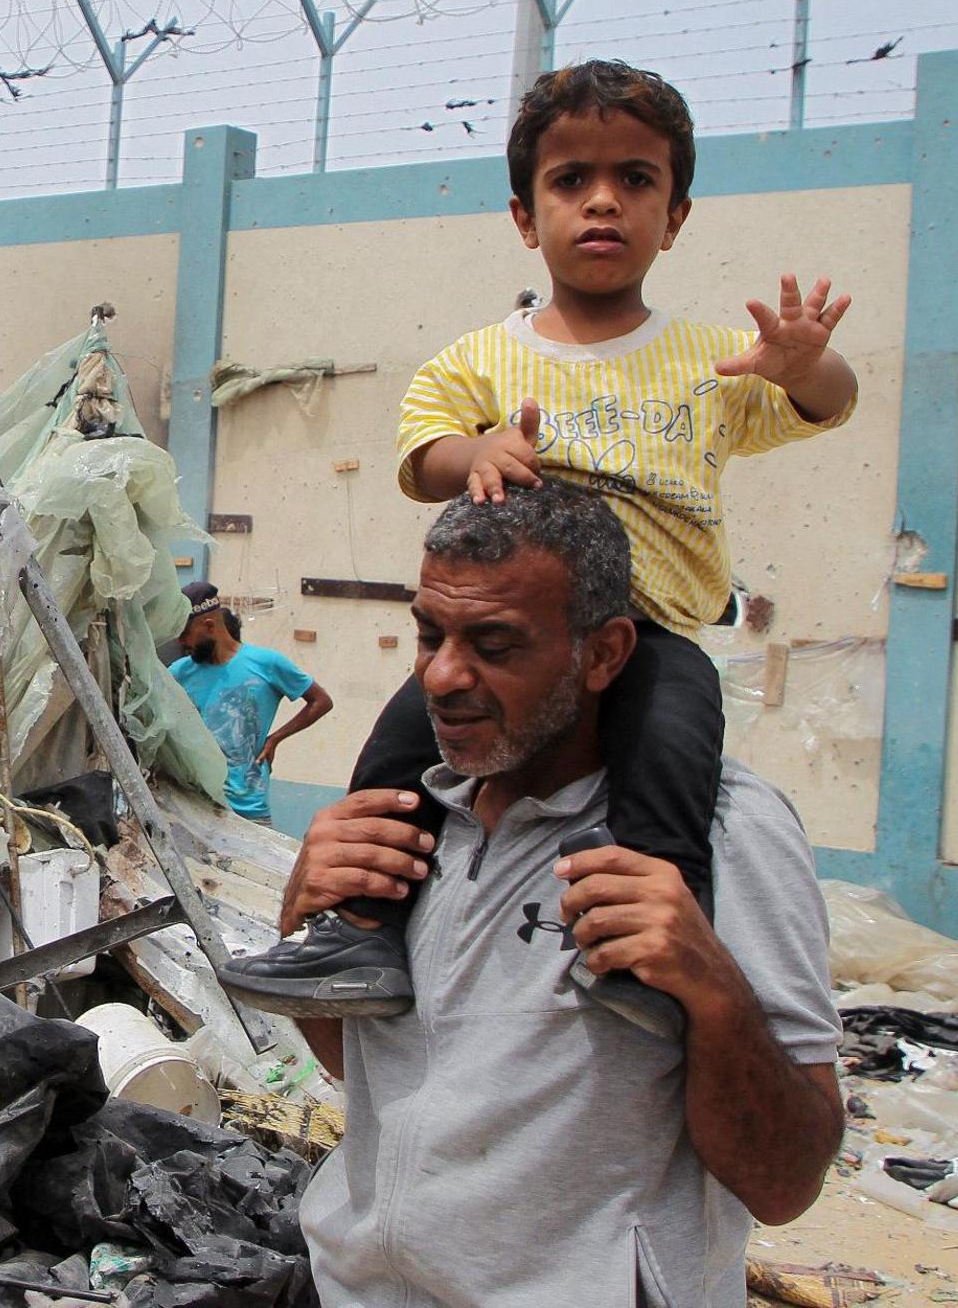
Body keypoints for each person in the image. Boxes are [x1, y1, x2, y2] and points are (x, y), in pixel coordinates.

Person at [218, 58, 858, 1018]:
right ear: (526, 215)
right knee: (398, 751)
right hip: (520, 628)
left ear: (675, 216)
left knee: (674, 755)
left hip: (652, 632)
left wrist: (809, 365)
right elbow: (420, 451)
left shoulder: (714, 361)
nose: (603, 203)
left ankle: (643, 956)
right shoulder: (482, 358)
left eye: (636, 180)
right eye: (570, 181)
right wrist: (476, 448)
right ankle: (360, 935)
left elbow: (826, 408)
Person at [289, 485, 844, 1305]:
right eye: (429, 635)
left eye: (495, 644)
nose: (442, 676)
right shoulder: (416, 817)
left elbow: (786, 1181)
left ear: (605, 654)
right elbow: (381, 1073)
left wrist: (713, 990)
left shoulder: (727, 833)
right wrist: (307, 915)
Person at [169, 581, 333, 827]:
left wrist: (275, 738)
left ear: (209, 626)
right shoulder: (179, 673)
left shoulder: (266, 663)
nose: (182, 643)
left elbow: (320, 701)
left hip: (248, 809)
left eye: (185, 634)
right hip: (195, 806)